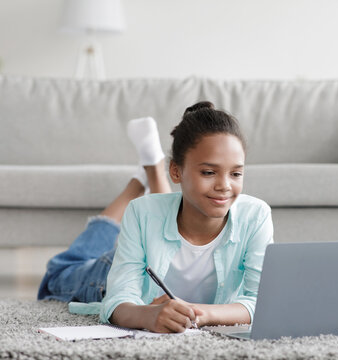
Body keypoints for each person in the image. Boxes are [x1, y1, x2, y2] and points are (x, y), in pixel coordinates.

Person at [38, 101, 274, 333]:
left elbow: (262, 301)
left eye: (236, 173)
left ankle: (149, 169)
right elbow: (118, 299)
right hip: (114, 271)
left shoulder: (255, 216)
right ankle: (140, 179)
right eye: (209, 172)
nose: (224, 185)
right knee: (59, 272)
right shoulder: (141, 212)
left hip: (154, 240)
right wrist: (148, 316)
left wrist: (199, 313)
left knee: (169, 207)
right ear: (176, 171)